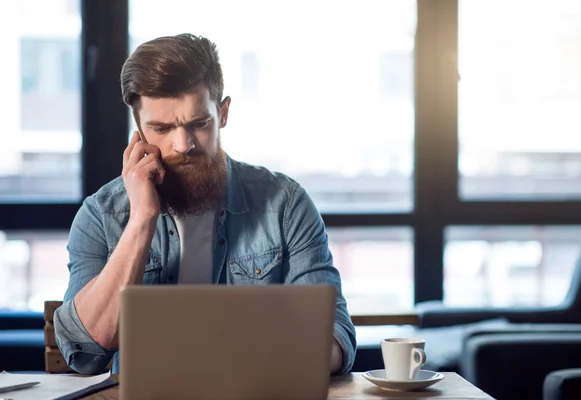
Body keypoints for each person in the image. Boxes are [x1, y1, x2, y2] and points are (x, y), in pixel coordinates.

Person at [53, 33, 356, 375]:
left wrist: (256, 364)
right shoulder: (101, 214)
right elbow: (86, 353)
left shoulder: (285, 205)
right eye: (162, 128)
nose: (183, 144)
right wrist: (141, 219)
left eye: (199, 124)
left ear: (223, 113)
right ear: (138, 130)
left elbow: (336, 339)